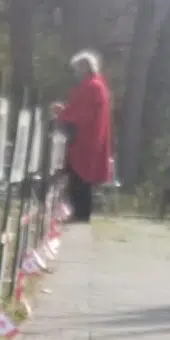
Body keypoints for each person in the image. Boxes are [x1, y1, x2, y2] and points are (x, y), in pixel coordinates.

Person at [54, 50, 113, 222]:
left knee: (81, 177)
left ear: (85, 68)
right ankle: (78, 211)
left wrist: (64, 115)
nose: (75, 73)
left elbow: (82, 114)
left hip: (85, 138)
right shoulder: (93, 86)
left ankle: (81, 213)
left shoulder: (92, 87)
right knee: (77, 177)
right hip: (86, 137)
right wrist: (65, 112)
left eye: (77, 68)